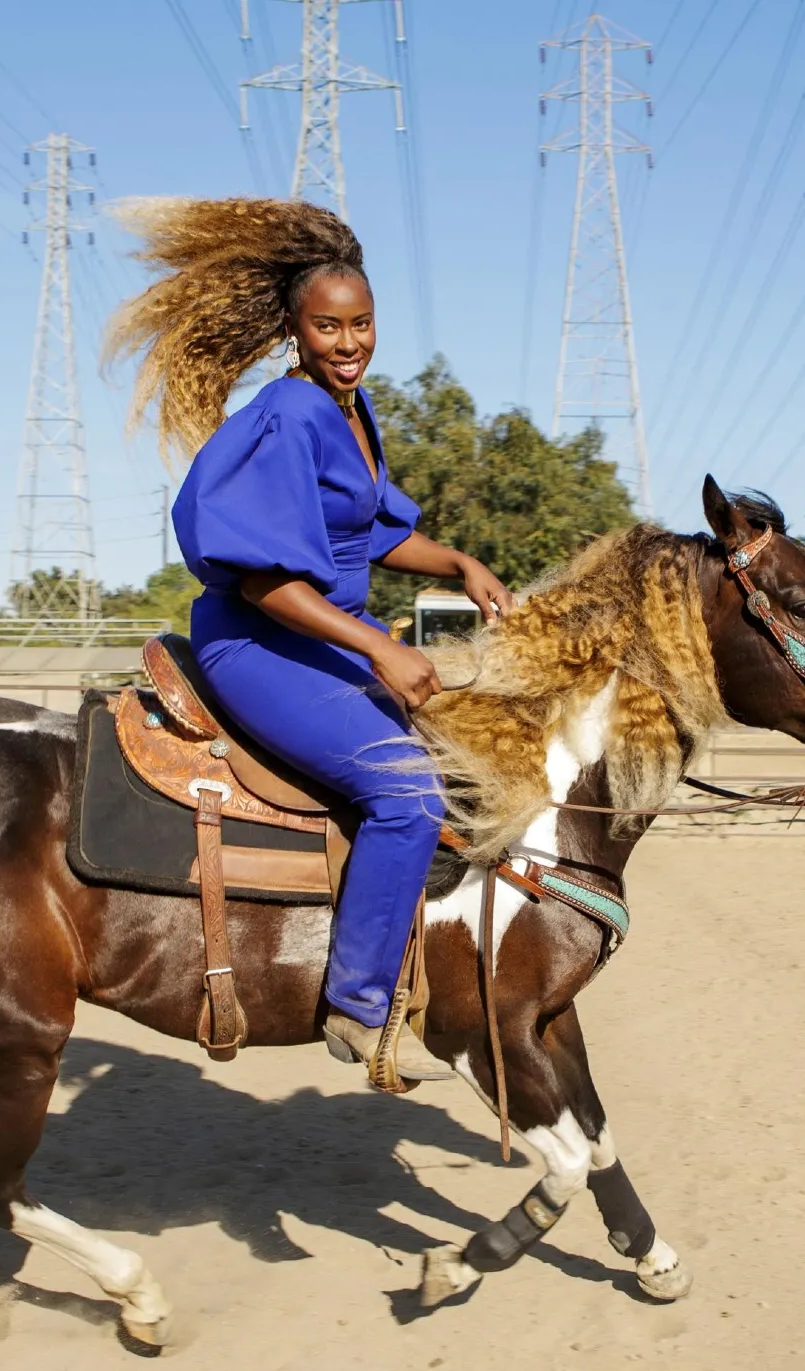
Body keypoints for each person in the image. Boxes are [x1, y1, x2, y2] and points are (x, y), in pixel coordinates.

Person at [107, 197, 512, 1087]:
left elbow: (364, 535)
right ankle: (360, 1009)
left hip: (320, 642)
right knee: (406, 793)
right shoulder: (287, 416)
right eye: (327, 326)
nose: (347, 341)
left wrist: (458, 564)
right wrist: (379, 648)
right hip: (257, 642)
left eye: (361, 324)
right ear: (294, 330)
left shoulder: (354, 412)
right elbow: (262, 578)